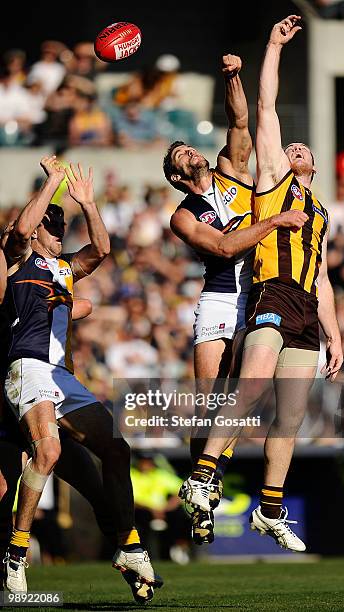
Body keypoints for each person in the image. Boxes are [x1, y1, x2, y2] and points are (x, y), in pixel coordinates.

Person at [179, 16, 343, 553]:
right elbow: (264, 110)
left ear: (314, 166)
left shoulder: (319, 212)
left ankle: (270, 509)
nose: (294, 148)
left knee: (291, 414)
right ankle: (203, 474)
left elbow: (321, 277)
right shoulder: (272, 183)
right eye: (290, 147)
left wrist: (336, 336)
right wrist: (272, 46)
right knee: (248, 387)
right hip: (268, 292)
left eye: (303, 150)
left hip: (304, 311)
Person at [2, 156, 162, 600]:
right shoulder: (17, 261)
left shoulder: (64, 268)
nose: (58, 231)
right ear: (35, 228)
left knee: (115, 449)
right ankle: (17, 554)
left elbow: (103, 250)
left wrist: (89, 205)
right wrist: (53, 182)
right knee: (47, 453)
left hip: (60, 378)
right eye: (51, 225)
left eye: (61, 226)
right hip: (26, 368)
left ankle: (129, 549)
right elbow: (18, 233)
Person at [164, 54, 308, 545]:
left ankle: (208, 479)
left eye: (189, 147)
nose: (190, 152)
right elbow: (225, 247)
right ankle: (199, 490)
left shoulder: (232, 169)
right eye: (181, 153)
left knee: (245, 400)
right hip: (223, 298)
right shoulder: (183, 216)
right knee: (210, 405)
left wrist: (233, 78)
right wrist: (272, 223)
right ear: (176, 174)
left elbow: (240, 120)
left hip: (262, 289)